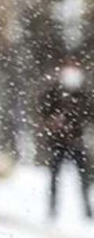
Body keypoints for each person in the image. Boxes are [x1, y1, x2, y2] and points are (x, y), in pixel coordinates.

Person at [38, 62, 94, 220]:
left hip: (76, 141)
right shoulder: (53, 93)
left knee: (84, 178)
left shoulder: (83, 95)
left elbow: (89, 115)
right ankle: (52, 209)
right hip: (58, 143)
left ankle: (87, 210)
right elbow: (43, 110)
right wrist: (53, 122)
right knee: (54, 177)